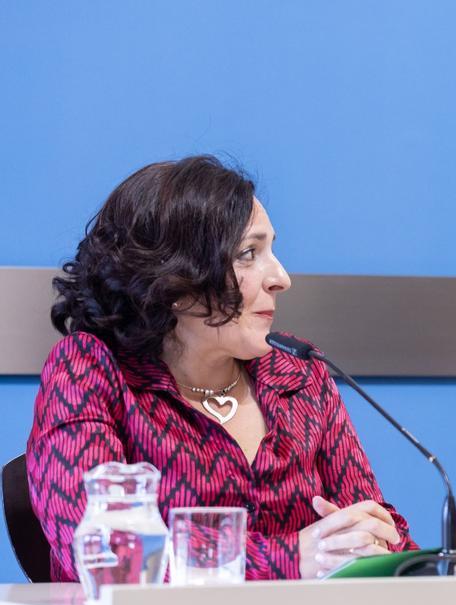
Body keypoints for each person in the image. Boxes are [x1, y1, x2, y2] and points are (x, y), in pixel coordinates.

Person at [27, 156, 416, 581]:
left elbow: (364, 527)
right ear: (174, 281)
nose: (281, 277)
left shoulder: (300, 375)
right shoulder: (89, 371)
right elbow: (108, 551)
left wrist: (445, 560)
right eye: (249, 254)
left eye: (271, 251)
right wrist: (293, 557)